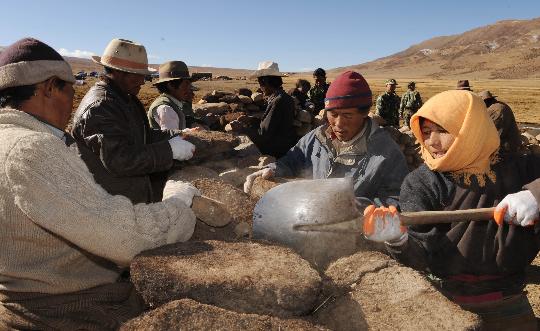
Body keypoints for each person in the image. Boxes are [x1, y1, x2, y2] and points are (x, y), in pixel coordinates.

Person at [0, 38, 199, 330]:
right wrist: (178, 207)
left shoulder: (9, 139)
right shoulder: (32, 149)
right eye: (69, 90)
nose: (73, 101)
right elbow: (124, 237)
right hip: (61, 306)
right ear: (49, 87)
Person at [363, 90, 540, 330]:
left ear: (472, 128)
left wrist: (535, 194)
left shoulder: (522, 169)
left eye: (444, 130)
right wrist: (397, 240)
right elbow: (419, 259)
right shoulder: (422, 183)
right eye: (425, 132)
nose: (432, 142)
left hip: (508, 300)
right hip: (445, 304)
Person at [244, 71, 409, 203]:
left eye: (348, 115)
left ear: (364, 114)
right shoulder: (316, 138)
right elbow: (293, 160)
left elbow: (397, 200)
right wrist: (272, 170)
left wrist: (354, 207)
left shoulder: (386, 153)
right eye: (333, 114)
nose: (338, 123)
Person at [72, 39, 196, 204]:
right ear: (118, 72)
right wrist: (168, 150)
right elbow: (118, 159)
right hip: (112, 203)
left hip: (130, 195)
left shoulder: (126, 99)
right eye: (138, 75)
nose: (142, 81)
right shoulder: (101, 107)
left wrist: (178, 134)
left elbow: (143, 135)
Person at [232, 61, 297, 158]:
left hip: (275, 151)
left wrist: (242, 129)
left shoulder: (277, 101)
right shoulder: (285, 97)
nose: (260, 87)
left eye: (259, 83)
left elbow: (263, 135)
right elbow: (273, 124)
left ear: (265, 82)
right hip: (284, 146)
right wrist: (251, 120)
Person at [147, 60, 206, 131]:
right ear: (171, 86)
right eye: (186, 84)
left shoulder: (172, 103)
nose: (189, 88)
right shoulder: (166, 109)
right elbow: (172, 139)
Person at [479, 90, 521, 156]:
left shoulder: (496, 110)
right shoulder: (496, 106)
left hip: (507, 147)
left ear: (486, 101)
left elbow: (494, 132)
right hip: (507, 143)